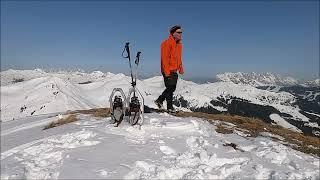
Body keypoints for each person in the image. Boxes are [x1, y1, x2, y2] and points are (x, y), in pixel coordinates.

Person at [154, 25, 184, 113]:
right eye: (178, 32)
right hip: (168, 69)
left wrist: (181, 68)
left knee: (172, 88)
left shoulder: (179, 45)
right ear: (173, 33)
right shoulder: (166, 43)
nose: (180, 34)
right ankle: (169, 107)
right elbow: (164, 59)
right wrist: (166, 72)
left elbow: (179, 58)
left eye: (181, 32)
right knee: (170, 88)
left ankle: (159, 101)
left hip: (174, 70)